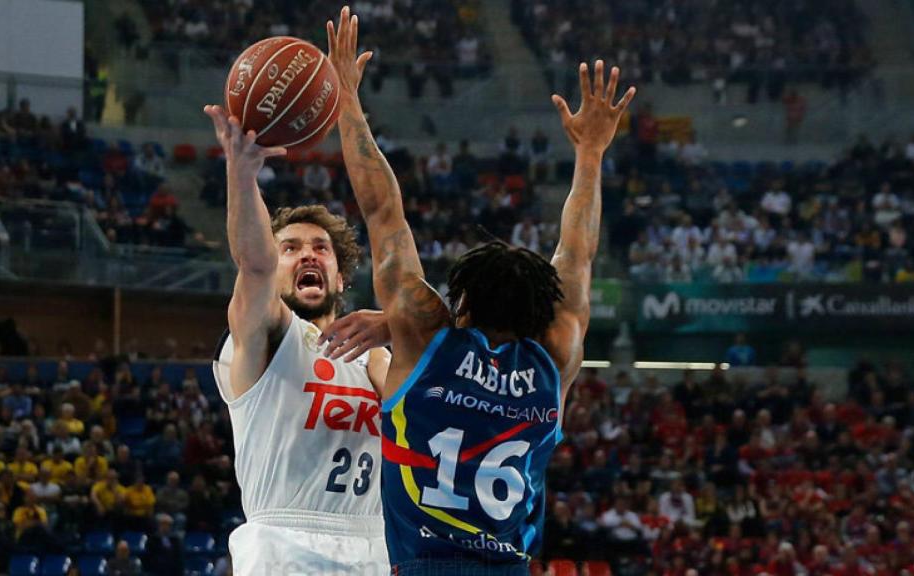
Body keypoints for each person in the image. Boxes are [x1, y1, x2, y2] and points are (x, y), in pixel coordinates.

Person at [328, 8, 635, 572]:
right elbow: (577, 254)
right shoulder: (555, 357)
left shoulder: (426, 335)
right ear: (541, 312)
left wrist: (346, 95)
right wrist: (591, 154)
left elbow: (382, 211)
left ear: (459, 303)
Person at [204, 39, 392, 573]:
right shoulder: (262, 336)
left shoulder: (371, 353)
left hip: (372, 545)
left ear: (339, 273)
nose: (307, 254)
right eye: (291, 247)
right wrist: (242, 172)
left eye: (320, 248)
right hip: (282, 545)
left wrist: (396, 325)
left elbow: (412, 393)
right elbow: (255, 265)